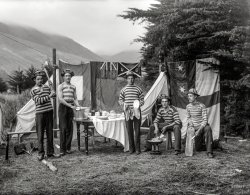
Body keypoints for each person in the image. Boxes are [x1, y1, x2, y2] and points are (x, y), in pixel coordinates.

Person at [30, 70, 59, 161]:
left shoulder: (47, 87)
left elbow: (53, 97)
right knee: (40, 135)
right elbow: (39, 101)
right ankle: (41, 153)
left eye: (41, 79)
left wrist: (53, 92)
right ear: (35, 80)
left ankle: (50, 153)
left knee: (50, 134)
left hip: (49, 112)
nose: (40, 80)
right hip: (40, 114)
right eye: (38, 79)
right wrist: (50, 96)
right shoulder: (32, 91)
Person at [119, 71, 144, 155]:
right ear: (127, 80)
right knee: (129, 130)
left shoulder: (138, 89)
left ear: (134, 79)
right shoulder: (124, 89)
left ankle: (138, 149)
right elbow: (120, 100)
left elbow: (142, 100)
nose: (131, 80)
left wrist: (138, 105)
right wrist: (123, 104)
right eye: (129, 78)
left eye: (132, 78)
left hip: (136, 111)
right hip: (127, 112)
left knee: (137, 131)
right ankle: (131, 148)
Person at [186, 88, 214, 158]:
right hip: (194, 126)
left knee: (208, 129)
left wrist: (199, 130)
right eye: (188, 96)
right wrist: (191, 124)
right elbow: (188, 117)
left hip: (202, 126)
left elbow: (205, 120)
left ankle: (209, 151)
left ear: (195, 96)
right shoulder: (188, 106)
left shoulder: (202, 106)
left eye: (190, 96)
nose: (188, 97)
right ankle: (213, 144)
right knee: (198, 149)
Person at [58, 69, 80, 156]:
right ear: (63, 77)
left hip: (71, 108)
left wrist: (78, 105)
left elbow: (75, 98)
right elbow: (60, 99)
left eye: (69, 76)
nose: (68, 77)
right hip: (63, 108)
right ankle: (62, 149)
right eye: (66, 76)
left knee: (70, 129)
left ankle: (68, 148)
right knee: (63, 128)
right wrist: (70, 106)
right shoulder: (61, 86)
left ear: (71, 77)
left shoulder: (73, 87)